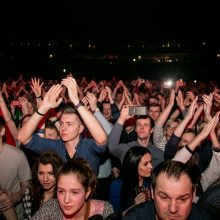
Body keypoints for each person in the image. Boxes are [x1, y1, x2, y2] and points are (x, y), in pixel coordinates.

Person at [17, 76, 108, 174]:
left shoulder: (88, 146)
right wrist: (43, 108)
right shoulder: (56, 146)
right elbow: (22, 137)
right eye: (61, 123)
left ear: (80, 128)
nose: (63, 128)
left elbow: (102, 139)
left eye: (69, 124)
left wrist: (77, 102)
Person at [123, 160, 215, 220]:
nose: (173, 209)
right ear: (152, 192)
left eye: (182, 199)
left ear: (193, 194)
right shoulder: (135, 217)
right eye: (164, 197)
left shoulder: (205, 218)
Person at [31, 158, 114, 219]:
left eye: (74, 192)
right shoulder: (51, 208)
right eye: (61, 191)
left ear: (87, 192)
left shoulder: (103, 210)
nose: (66, 200)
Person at [0, 116, 31, 220]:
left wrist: (16, 197)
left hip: (15, 214)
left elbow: (26, 185)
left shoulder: (17, 155)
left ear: (2, 131)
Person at [109, 146, 153, 212]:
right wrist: (134, 206)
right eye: (145, 164)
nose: (151, 166)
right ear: (134, 165)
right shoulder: (117, 185)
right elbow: (114, 216)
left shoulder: (150, 182)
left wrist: (152, 199)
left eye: (150, 162)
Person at [23, 151, 63, 219]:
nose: (45, 179)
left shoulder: (64, 196)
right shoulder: (30, 192)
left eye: (51, 173)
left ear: (59, 173)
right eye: (41, 173)